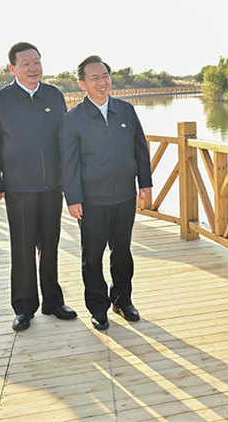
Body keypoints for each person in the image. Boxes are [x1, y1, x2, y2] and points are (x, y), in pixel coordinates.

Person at [0, 42, 77, 331]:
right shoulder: (1, 100)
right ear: (13, 68)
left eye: (36, 62)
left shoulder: (54, 95)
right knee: (22, 248)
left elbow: (66, 141)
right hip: (19, 187)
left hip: (52, 186)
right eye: (25, 63)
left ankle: (53, 301)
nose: (33, 68)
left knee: (50, 245)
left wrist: (69, 182)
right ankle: (24, 307)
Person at [60, 55, 152, 331]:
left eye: (105, 76)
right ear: (82, 84)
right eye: (95, 78)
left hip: (124, 196)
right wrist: (73, 198)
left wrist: (144, 182)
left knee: (122, 252)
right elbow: (68, 162)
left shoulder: (125, 110)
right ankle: (98, 308)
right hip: (91, 201)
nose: (102, 82)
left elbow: (140, 148)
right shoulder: (74, 118)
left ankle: (123, 301)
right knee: (92, 256)